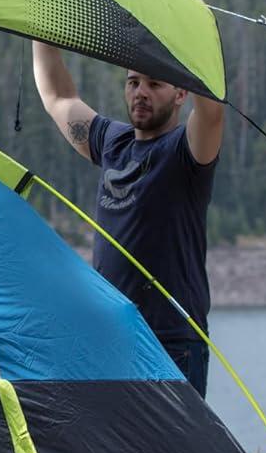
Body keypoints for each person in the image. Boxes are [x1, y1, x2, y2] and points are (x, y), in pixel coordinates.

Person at [32, 44, 225, 394]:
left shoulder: (186, 152)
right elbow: (58, 97)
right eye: (133, 83)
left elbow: (211, 113)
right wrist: (40, 35)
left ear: (181, 92)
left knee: (171, 451)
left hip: (171, 343)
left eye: (154, 84)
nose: (141, 93)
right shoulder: (112, 142)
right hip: (109, 336)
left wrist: (192, 35)